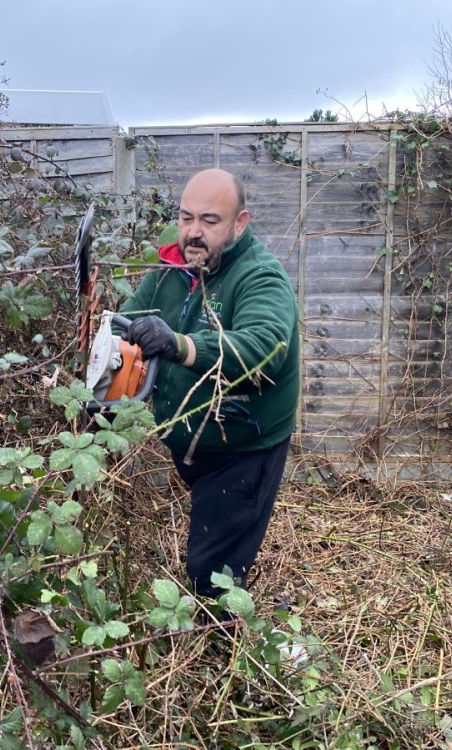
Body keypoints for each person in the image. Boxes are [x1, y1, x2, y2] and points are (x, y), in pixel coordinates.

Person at [120, 168, 300, 600]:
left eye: (209, 221)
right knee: (213, 542)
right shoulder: (173, 268)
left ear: (240, 223)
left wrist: (179, 344)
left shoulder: (261, 277)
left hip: (242, 450)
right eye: (185, 218)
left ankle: (224, 650)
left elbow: (264, 349)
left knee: (212, 573)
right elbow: (127, 320)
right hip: (192, 443)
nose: (193, 233)